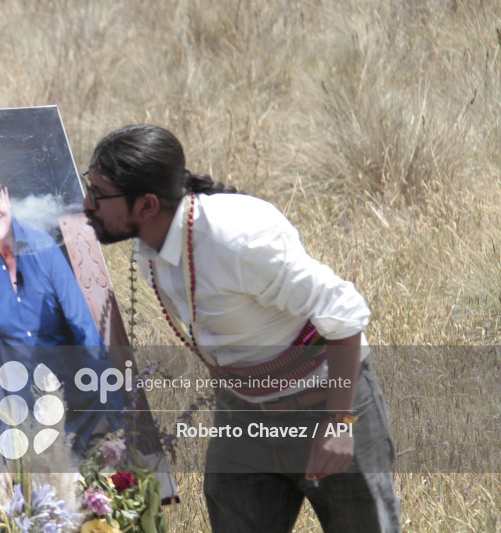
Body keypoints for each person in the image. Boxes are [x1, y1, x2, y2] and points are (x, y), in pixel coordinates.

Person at [82, 124, 400, 532]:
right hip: (244, 416)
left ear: (146, 205)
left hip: (325, 403)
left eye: (98, 194)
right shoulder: (150, 248)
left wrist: (338, 423)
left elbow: (345, 313)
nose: (87, 204)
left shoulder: (238, 241)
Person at [0, 158, 121, 454]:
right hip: (24, 412)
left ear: (5, 193)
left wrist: (118, 412)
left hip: (77, 398)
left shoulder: (41, 244)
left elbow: (82, 324)